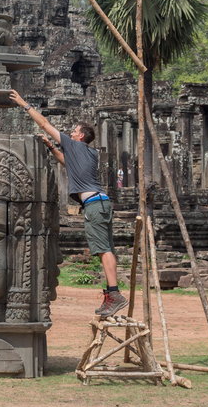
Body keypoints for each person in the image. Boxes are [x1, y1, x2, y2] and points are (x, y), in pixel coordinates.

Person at [9, 89, 127, 318]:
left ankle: (114, 294)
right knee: (107, 249)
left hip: (94, 205)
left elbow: (44, 123)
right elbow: (68, 164)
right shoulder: (90, 153)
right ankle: (112, 293)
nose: (70, 133)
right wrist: (52, 148)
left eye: (74, 131)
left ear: (81, 136)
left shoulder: (74, 145)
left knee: (102, 250)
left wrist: (24, 103)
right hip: (101, 203)